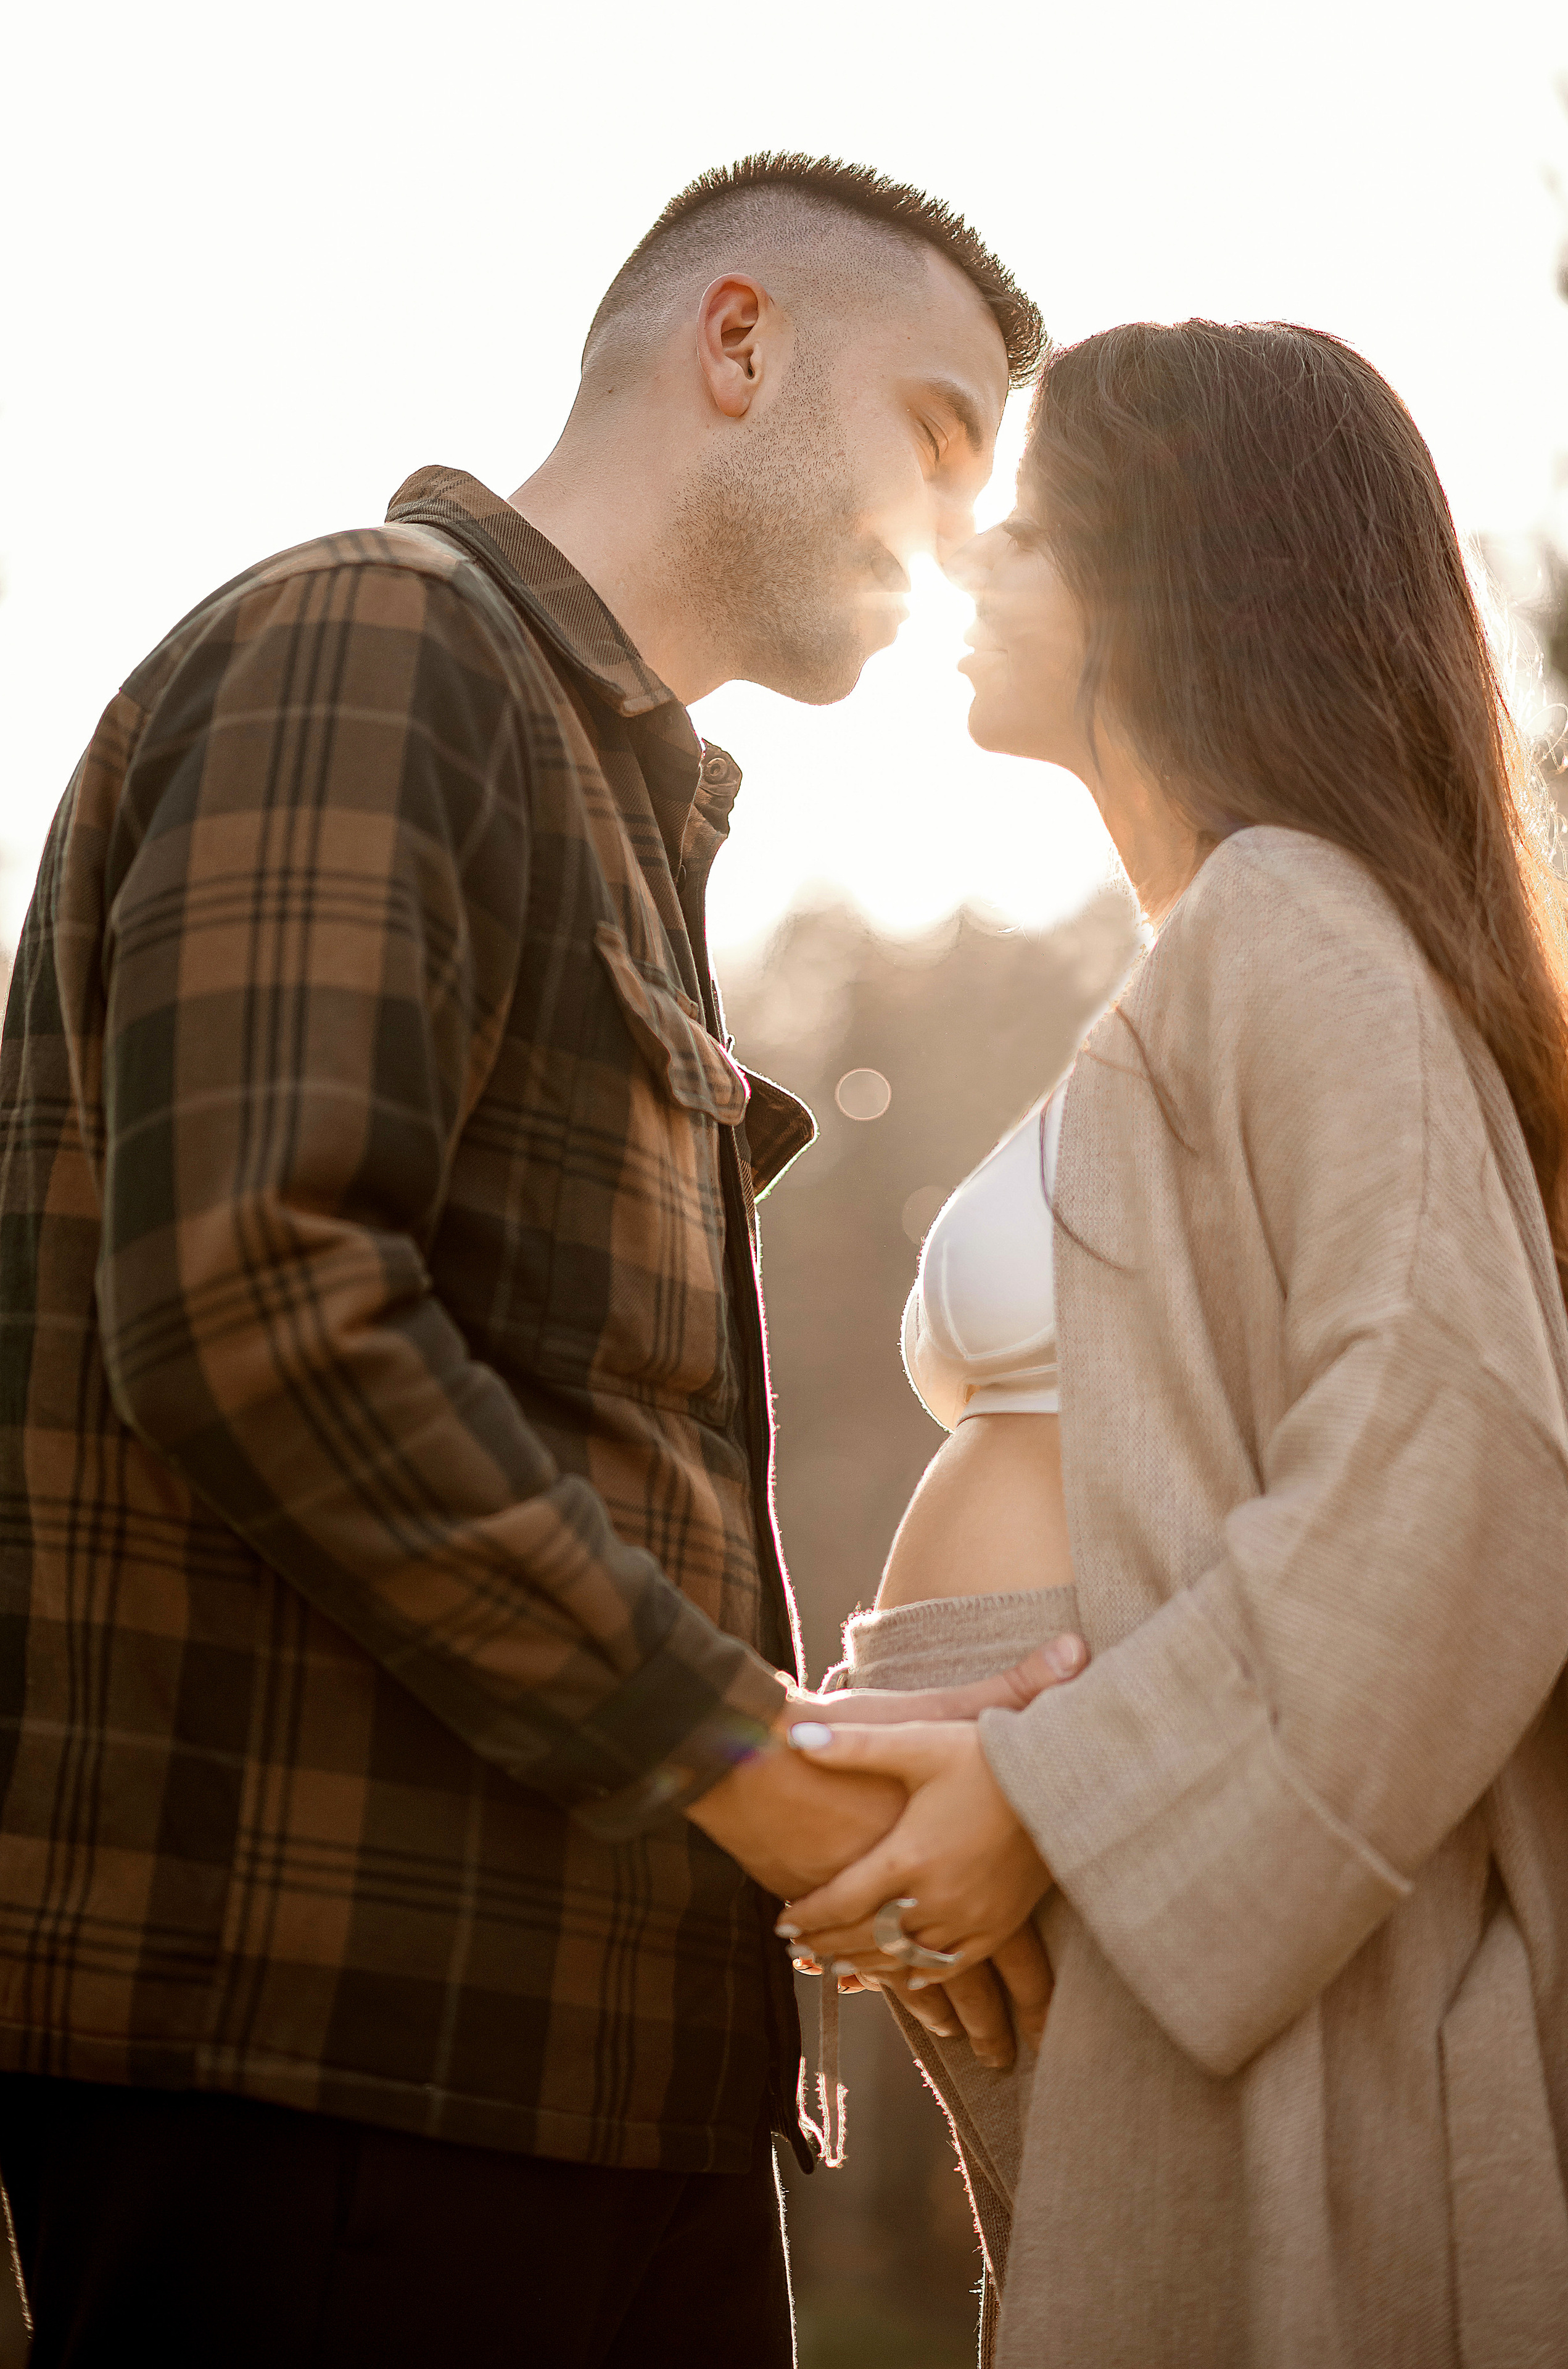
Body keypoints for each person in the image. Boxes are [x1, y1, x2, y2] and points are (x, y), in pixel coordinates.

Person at [0, 154, 1083, 2367]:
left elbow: (556, 1439)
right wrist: (762, 1777)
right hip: (339, 2086)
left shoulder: (605, 793)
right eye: (944, 435)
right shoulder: (376, 643)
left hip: (594, 2088)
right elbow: (260, 1304)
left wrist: (840, 1721)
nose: (967, 532)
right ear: (740, 343)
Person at [780, 321, 1568, 2367]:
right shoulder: (1210, 951)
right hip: (1118, 1901)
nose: (972, 566)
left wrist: (1052, 1792)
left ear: (1179, 579)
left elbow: (1466, 1459)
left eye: (1030, 531)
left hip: (1196, 1894)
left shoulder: (1295, 928)